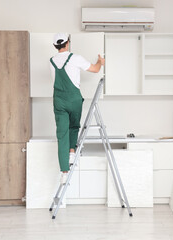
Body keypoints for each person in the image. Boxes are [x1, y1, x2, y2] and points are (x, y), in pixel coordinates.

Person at [50, 33, 105, 184]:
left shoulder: (52, 61)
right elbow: (94, 69)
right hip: (74, 99)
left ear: (55, 46)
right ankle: (72, 152)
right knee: (74, 126)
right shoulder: (75, 58)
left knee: (62, 135)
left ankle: (64, 172)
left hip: (59, 100)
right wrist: (100, 62)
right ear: (68, 43)